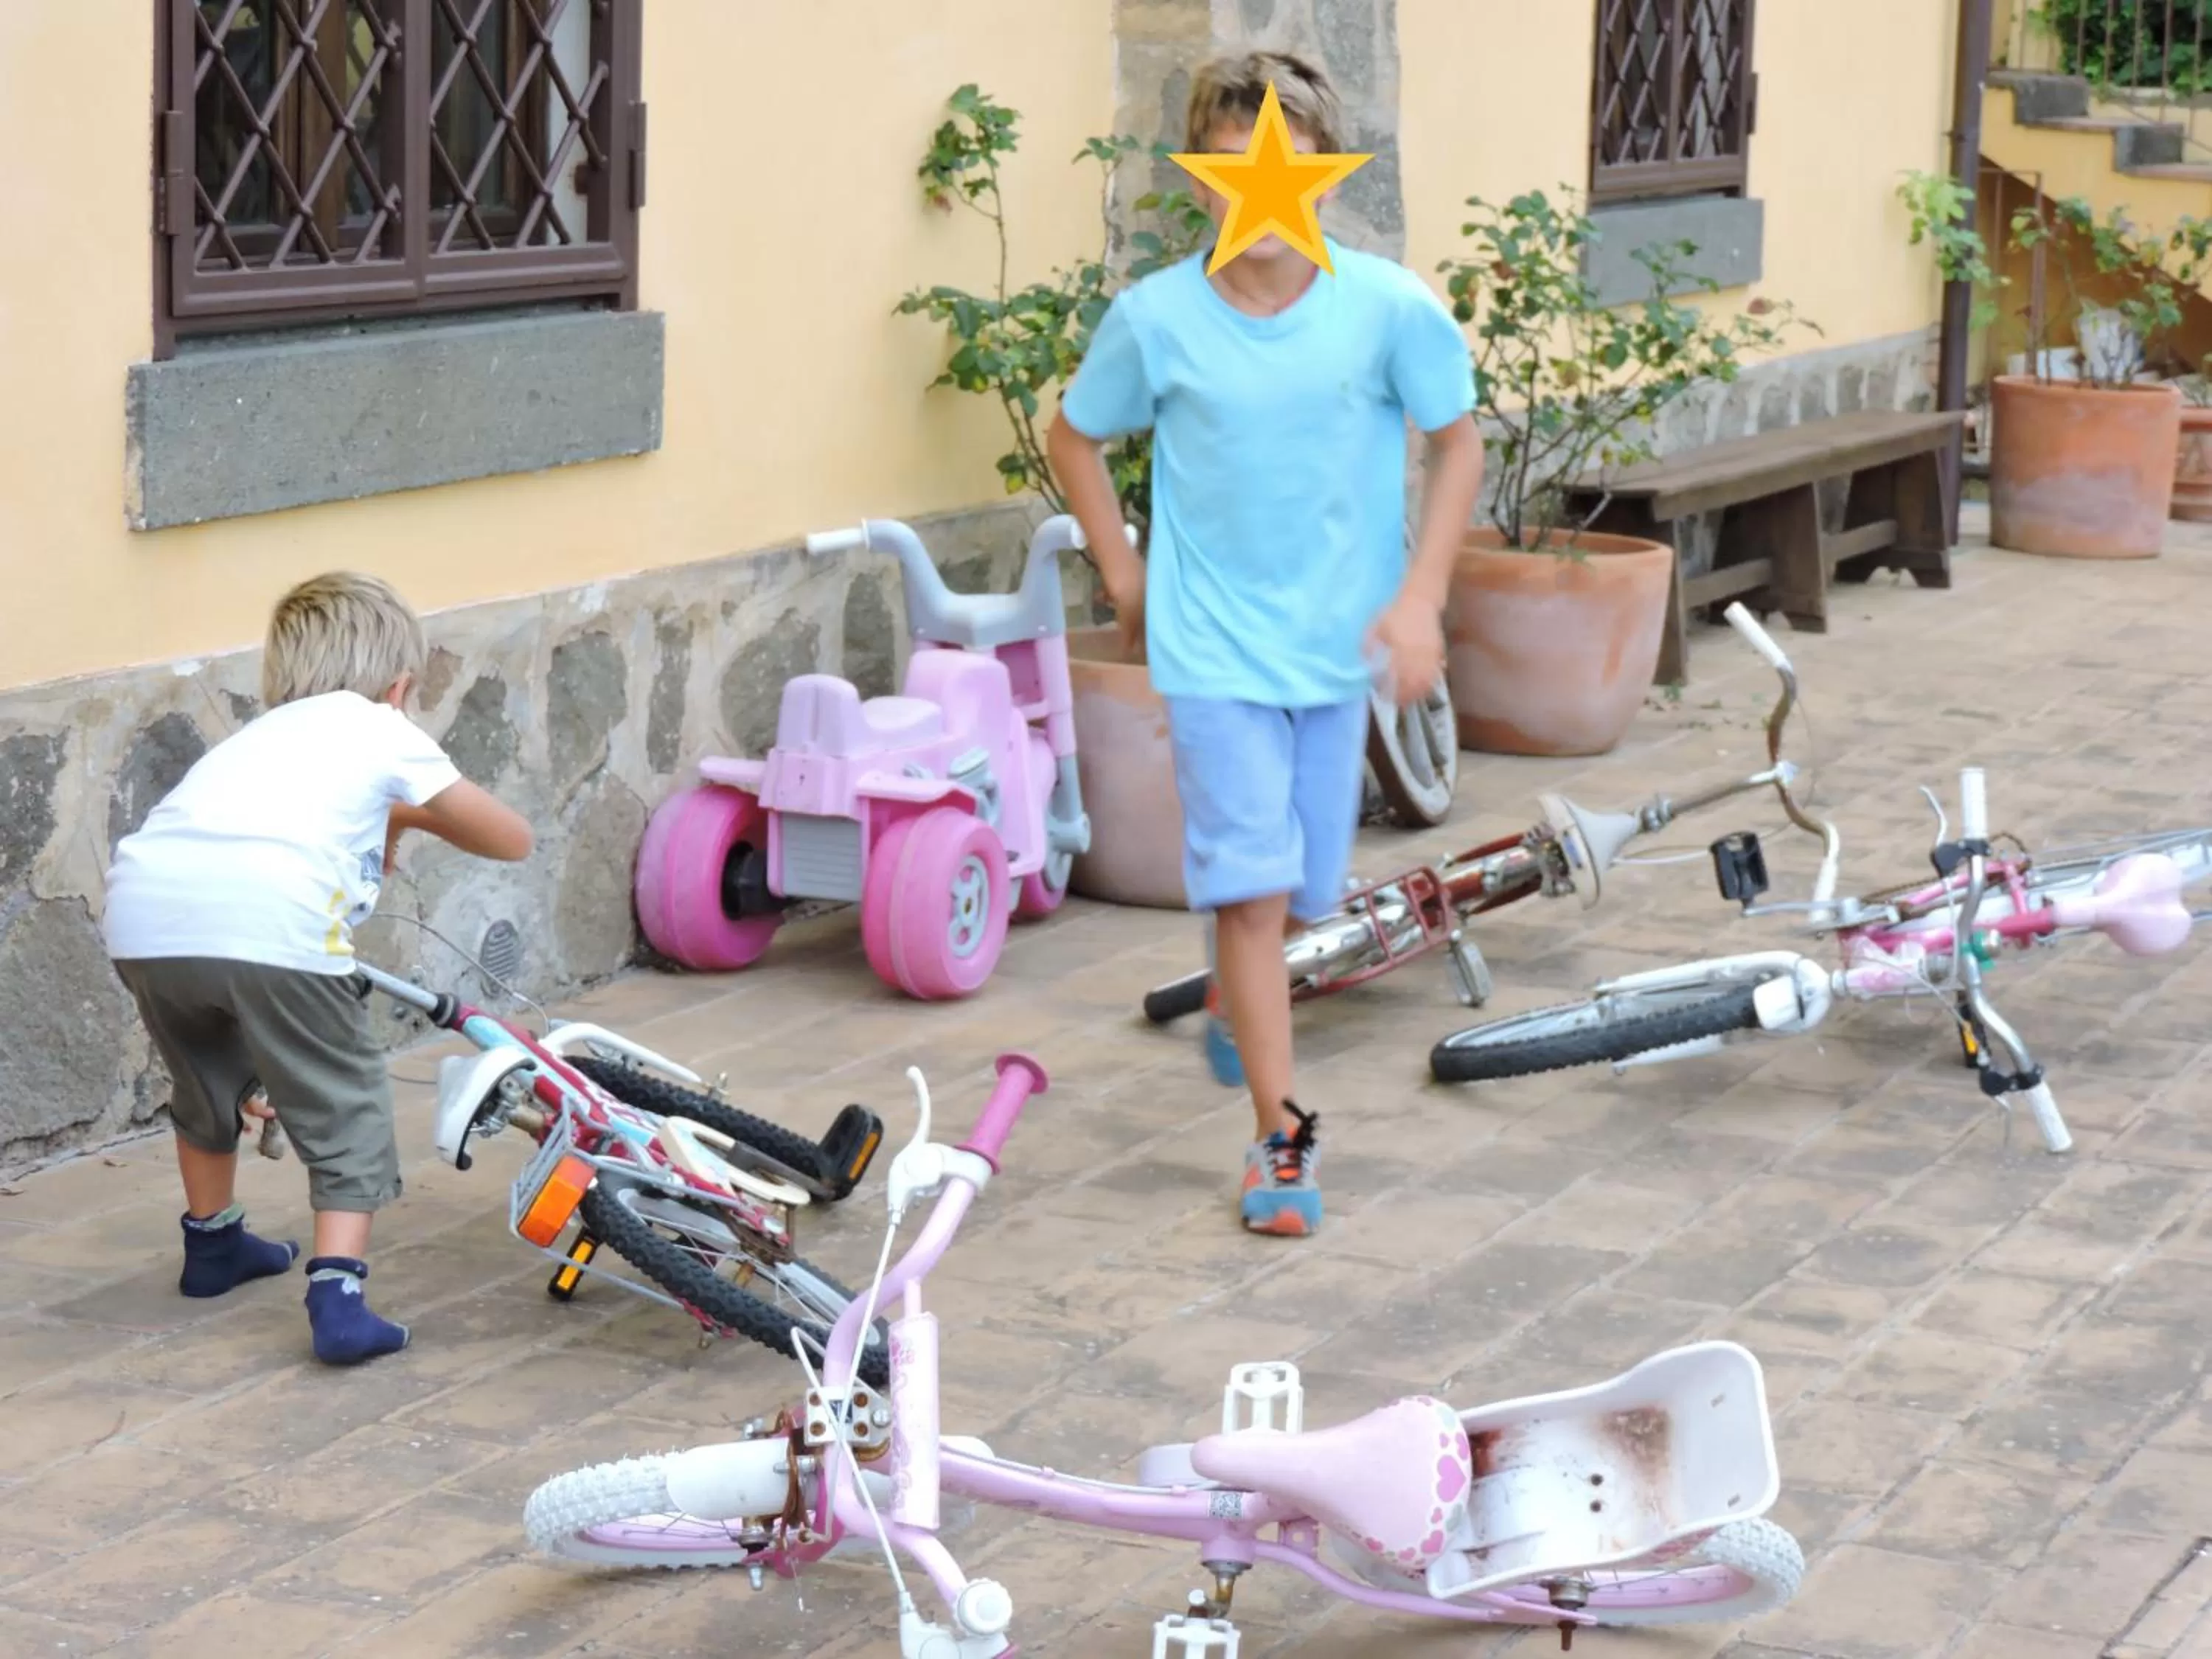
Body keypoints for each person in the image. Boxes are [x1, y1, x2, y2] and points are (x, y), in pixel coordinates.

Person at [1047, 49, 1484, 1239]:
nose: (1258, 193)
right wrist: (1123, 568)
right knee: (1249, 899)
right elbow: (1075, 436)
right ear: (1201, 181)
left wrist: (1422, 599)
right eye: (1233, 168)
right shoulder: (1158, 321)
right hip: (1212, 649)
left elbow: (1459, 444)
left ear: (1325, 178)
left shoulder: (1388, 310)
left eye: (1280, 167)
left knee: (1300, 896)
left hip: (1336, 653)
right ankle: (1279, 1139)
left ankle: (1246, 1011)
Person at [102, 571, 534, 1364]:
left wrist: (383, 822)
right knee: (346, 1100)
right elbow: (508, 837)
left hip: (143, 919)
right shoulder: (380, 727)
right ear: (399, 684)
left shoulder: (255, 739)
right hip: (272, 925)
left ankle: (213, 1246)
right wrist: (417, 811)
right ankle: (339, 1297)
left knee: (207, 1081)